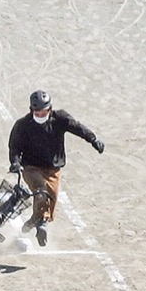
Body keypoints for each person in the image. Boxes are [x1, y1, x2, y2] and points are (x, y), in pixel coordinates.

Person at [8, 90, 104, 247]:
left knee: (51, 200)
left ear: (50, 108)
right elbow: (14, 147)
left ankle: (36, 221)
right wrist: (15, 162)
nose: (40, 115)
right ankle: (40, 223)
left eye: (44, 112)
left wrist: (93, 139)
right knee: (40, 191)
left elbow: (78, 128)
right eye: (37, 112)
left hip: (53, 168)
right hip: (31, 167)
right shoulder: (23, 125)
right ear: (31, 110)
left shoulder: (60, 119)